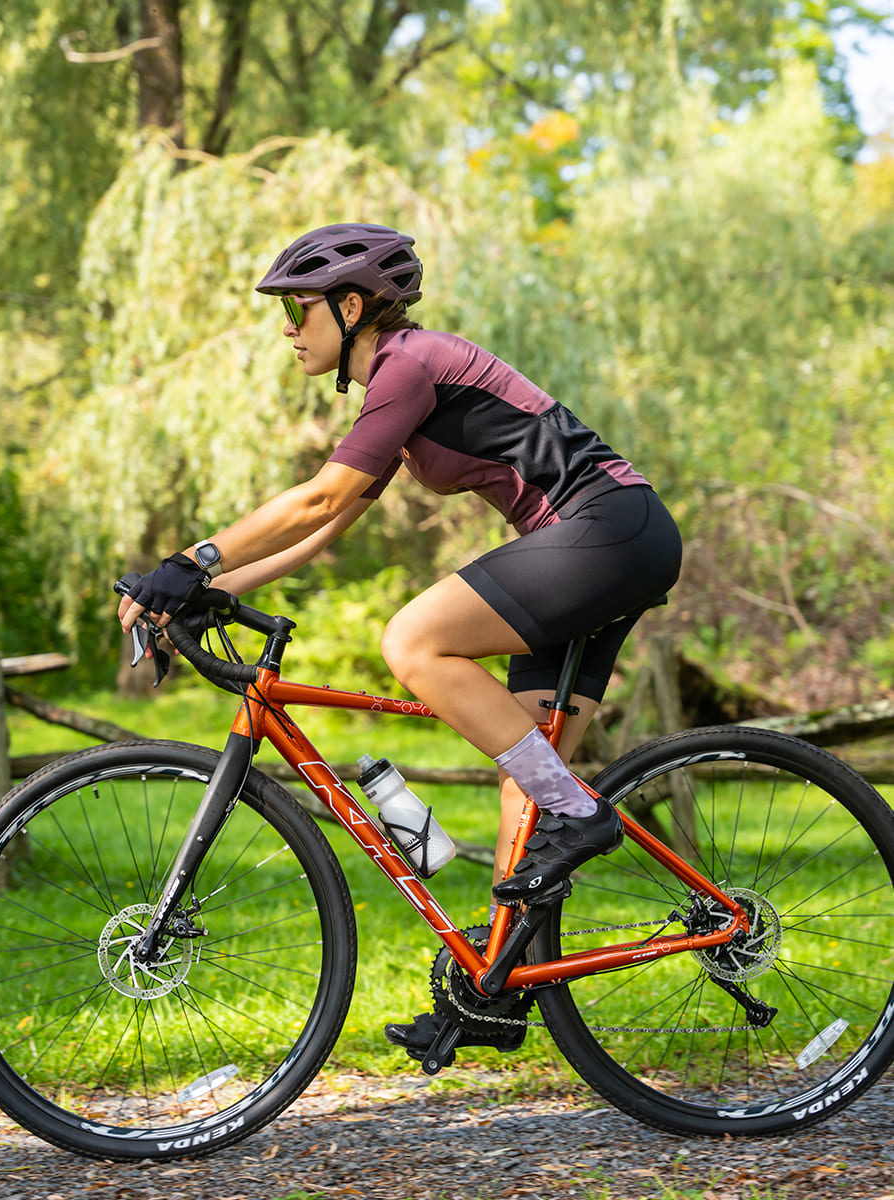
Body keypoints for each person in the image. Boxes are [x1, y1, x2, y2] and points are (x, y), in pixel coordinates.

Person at [117, 222, 682, 1056]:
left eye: (298, 310)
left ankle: (581, 814)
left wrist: (190, 560)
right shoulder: (399, 381)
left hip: (608, 530)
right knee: (527, 780)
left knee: (415, 640)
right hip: (606, 542)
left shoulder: (409, 364)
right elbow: (329, 523)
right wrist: (211, 592)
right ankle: (498, 990)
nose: (287, 330)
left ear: (350, 307)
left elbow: (318, 496)